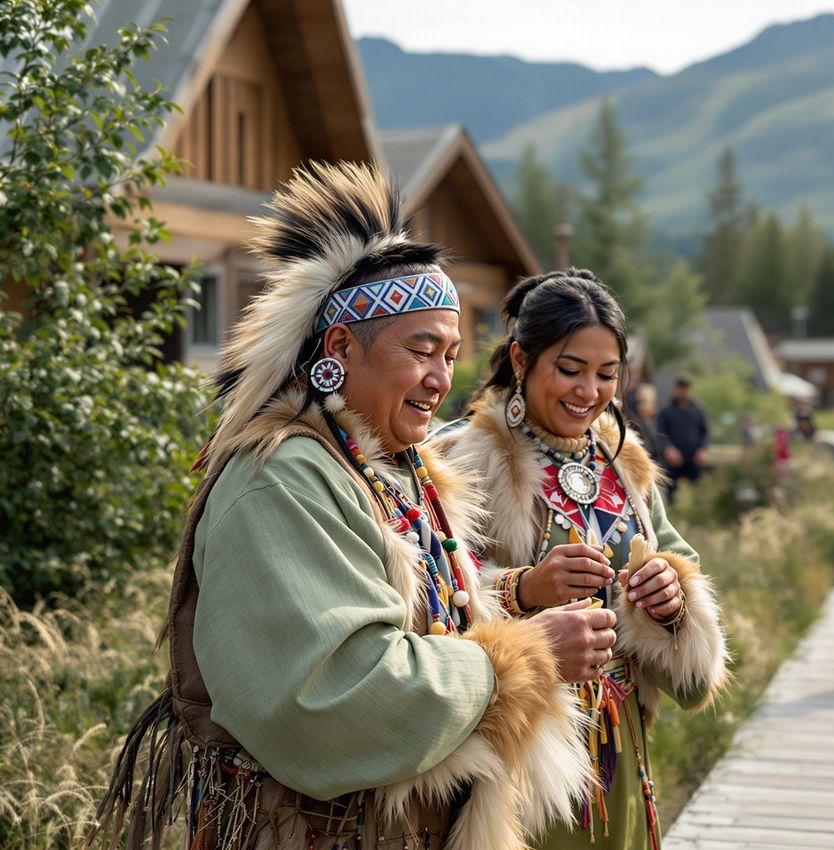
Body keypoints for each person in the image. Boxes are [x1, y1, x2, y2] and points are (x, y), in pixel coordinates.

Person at [92, 164, 611, 850]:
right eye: (421, 350)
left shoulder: (393, 468)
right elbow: (335, 694)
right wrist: (526, 655)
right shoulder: (280, 479)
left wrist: (513, 597)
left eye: (451, 354)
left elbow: (420, 604)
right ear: (338, 347)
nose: (440, 378)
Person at [434, 270, 729, 850]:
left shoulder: (627, 466)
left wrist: (670, 601)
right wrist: (521, 589)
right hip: (520, 753)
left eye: (606, 375)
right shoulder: (462, 459)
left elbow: (677, 566)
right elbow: (427, 594)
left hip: (620, 751)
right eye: (569, 370)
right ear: (521, 360)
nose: (588, 392)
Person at [657, 374, 710, 496]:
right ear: (675, 389)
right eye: (679, 388)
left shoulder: (698, 409)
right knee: (672, 494)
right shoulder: (666, 411)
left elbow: (705, 432)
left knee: (697, 493)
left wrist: (703, 449)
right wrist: (668, 449)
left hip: (694, 460)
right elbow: (661, 432)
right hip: (673, 461)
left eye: (685, 389)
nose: (682, 392)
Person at [628, 382, 663, 463]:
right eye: (641, 402)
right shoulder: (634, 425)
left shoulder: (653, 424)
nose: (643, 406)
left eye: (647, 402)